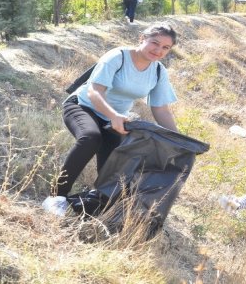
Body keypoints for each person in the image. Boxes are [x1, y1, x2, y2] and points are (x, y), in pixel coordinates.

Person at [49, 23, 180, 216]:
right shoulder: (117, 57)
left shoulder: (159, 72)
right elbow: (95, 91)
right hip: (83, 106)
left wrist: (178, 141)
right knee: (91, 138)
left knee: (115, 169)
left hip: (113, 120)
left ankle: (91, 205)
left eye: (165, 48)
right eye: (155, 43)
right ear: (142, 38)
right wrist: (114, 116)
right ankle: (56, 197)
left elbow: (161, 110)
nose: (158, 50)